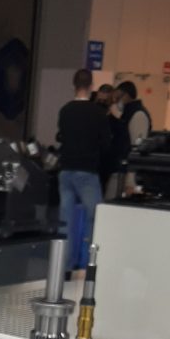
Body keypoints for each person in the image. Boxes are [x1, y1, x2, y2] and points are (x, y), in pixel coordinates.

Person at [57, 68, 111, 271]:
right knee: (94, 218)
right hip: (87, 170)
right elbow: (106, 143)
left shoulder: (65, 110)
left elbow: (61, 136)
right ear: (91, 86)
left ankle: (64, 265)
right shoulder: (97, 113)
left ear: (74, 85)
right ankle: (90, 263)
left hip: (66, 169)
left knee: (66, 220)